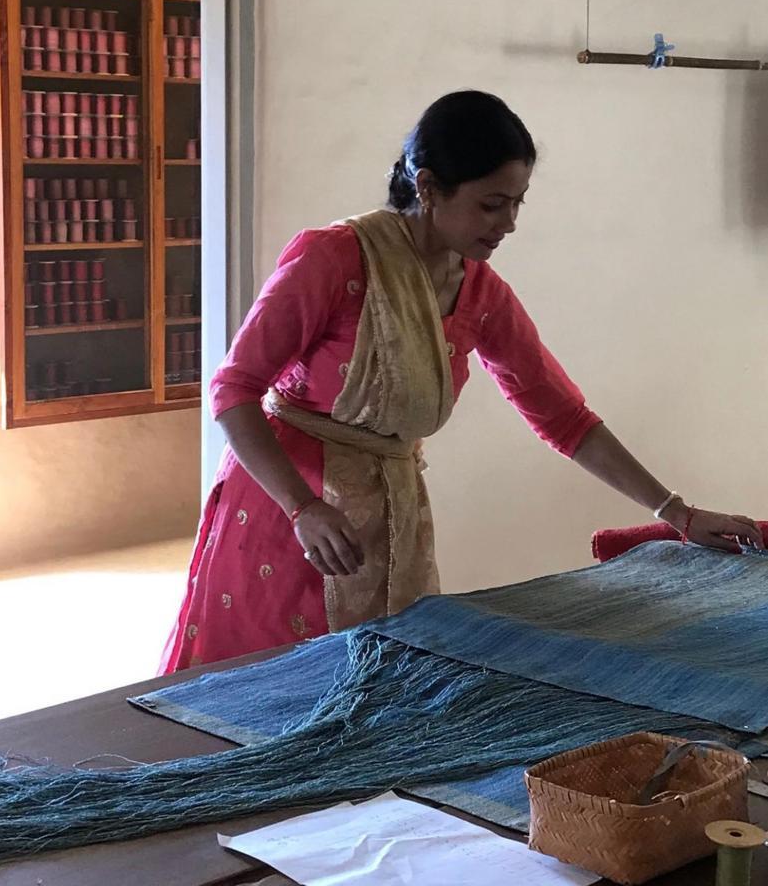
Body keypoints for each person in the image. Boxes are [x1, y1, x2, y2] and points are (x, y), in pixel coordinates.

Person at [159, 90, 763, 673]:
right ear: (428, 188)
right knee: (257, 710)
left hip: (392, 524)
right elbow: (234, 391)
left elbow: (564, 418)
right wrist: (303, 508)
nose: (510, 223)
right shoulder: (334, 259)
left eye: (518, 203)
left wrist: (677, 513)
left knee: (376, 708)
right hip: (289, 518)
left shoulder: (479, 292)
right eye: (492, 204)